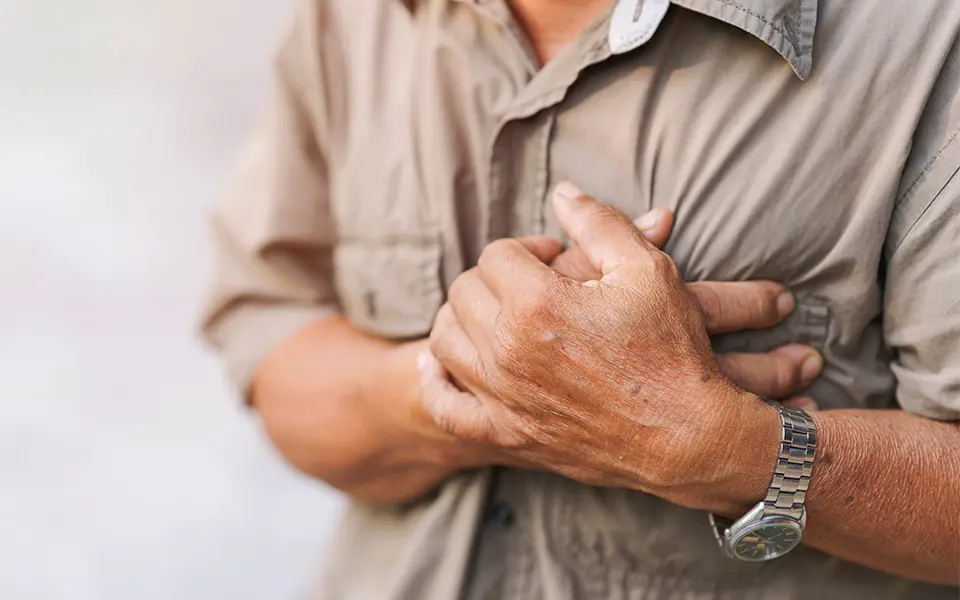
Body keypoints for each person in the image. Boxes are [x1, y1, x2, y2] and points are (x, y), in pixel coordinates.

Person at [201, 0, 960, 597]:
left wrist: (731, 449)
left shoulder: (923, 38)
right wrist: (486, 387)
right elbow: (273, 345)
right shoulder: (349, 16)